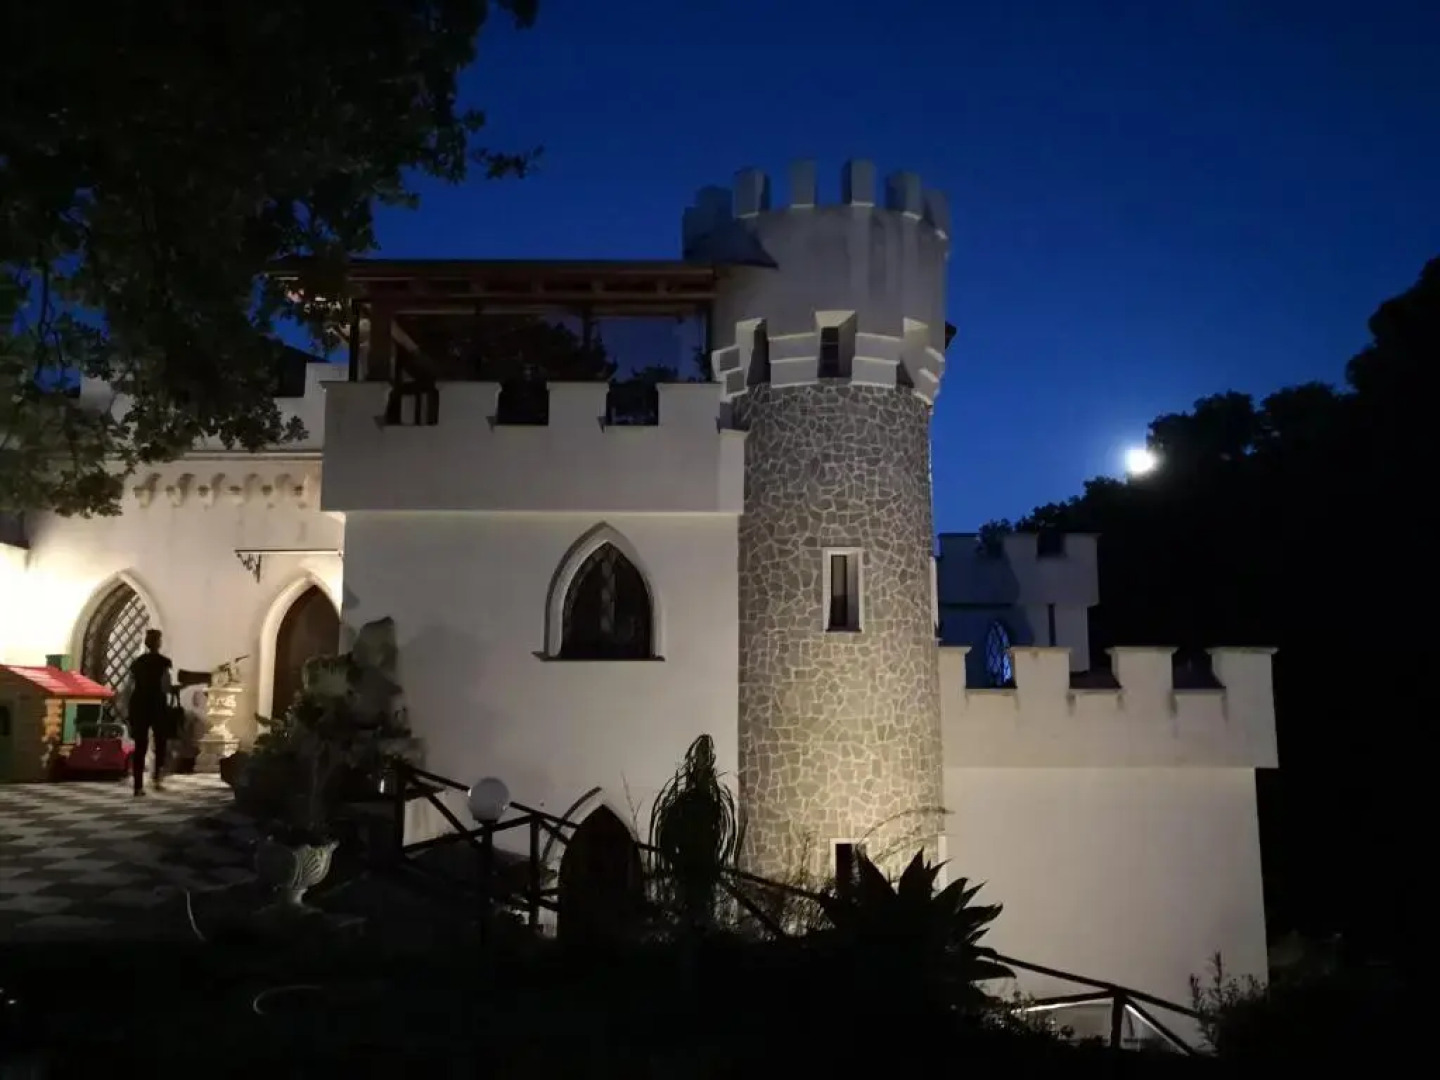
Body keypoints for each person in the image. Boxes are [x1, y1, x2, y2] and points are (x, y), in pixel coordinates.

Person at [121, 628, 173, 796]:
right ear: (158, 643)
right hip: (156, 704)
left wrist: (125, 707)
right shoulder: (164, 662)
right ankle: (156, 778)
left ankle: (138, 786)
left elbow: (129, 687)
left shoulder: (137, 663)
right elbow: (166, 686)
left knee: (140, 745)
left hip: (139, 704)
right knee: (160, 742)